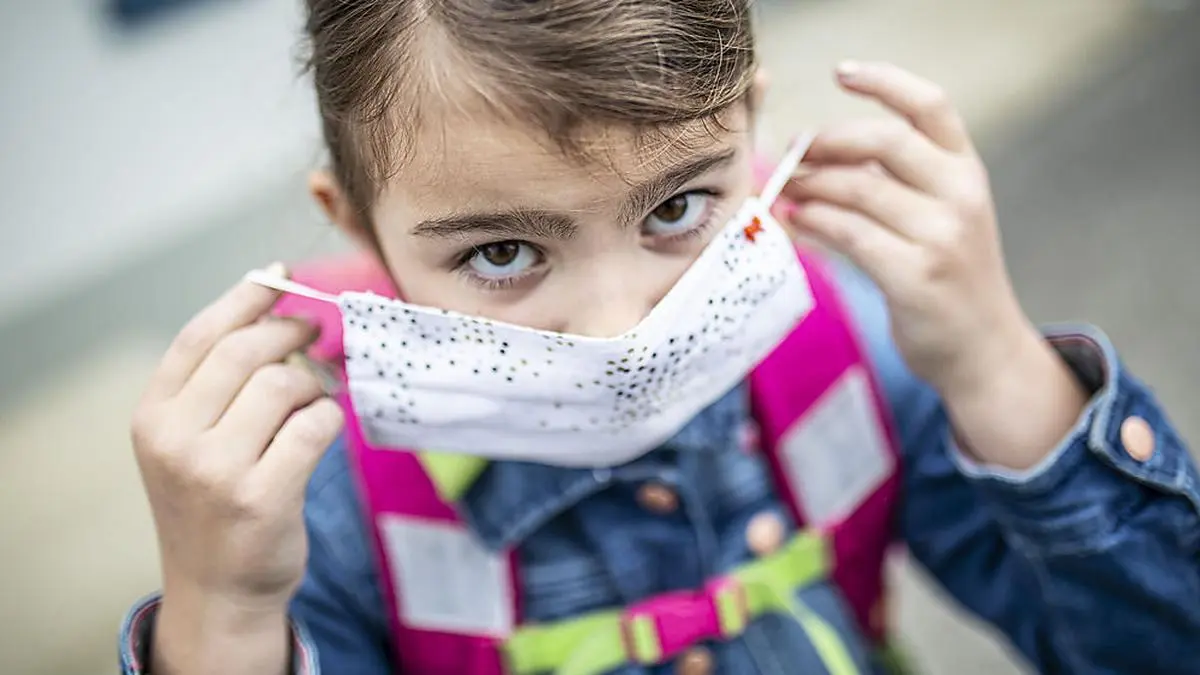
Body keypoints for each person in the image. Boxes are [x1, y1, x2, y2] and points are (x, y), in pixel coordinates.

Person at [118, 1, 1200, 673]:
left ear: (751, 132)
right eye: (502, 252)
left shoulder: (845, 358)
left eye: (677, 207)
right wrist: (222, 614)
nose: (621, 327)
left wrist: (995, 363)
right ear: (357, 229)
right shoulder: (329, 514)